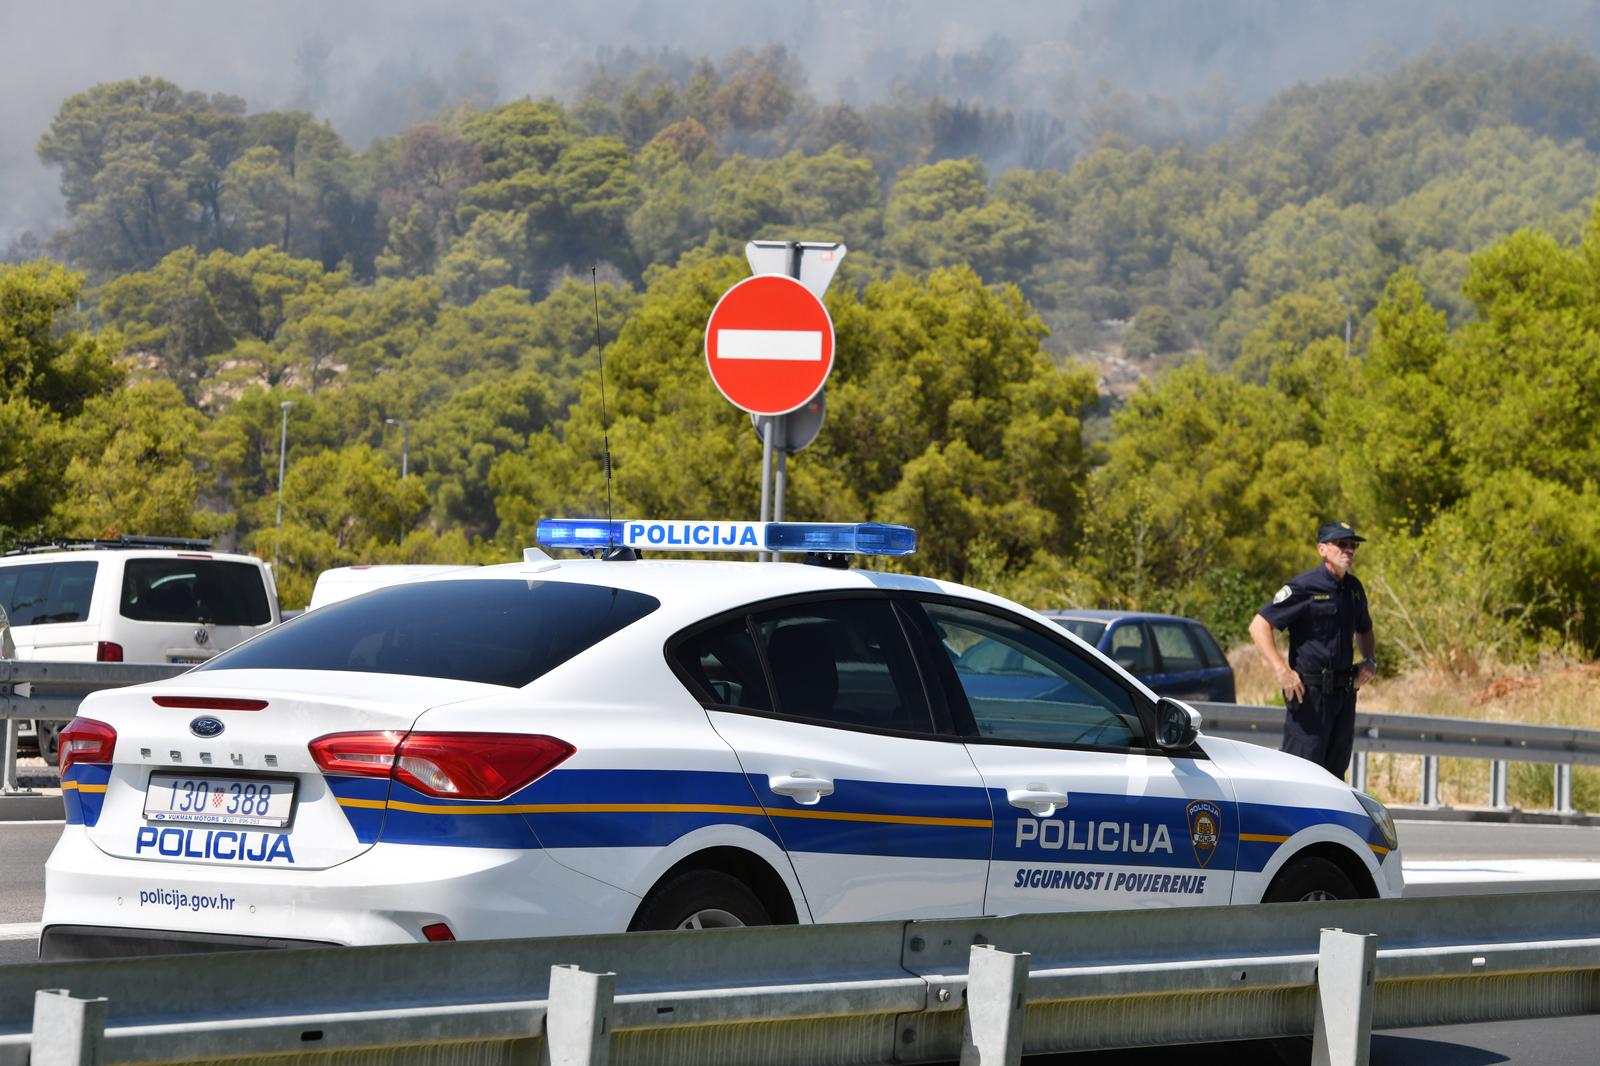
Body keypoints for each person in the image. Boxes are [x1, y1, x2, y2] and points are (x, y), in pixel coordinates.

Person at [1248, 522, 1377, 778]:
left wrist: (1370, 660)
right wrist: (1281, 670)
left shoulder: (1353, 589)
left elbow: (1364, 629)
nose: (1349, 550)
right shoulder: (1304, 587)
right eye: (1342, 544)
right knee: (1301, 772)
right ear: (1322, 549)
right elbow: (1259, 625)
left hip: (1343, 694)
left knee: (1334, 773)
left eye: (1353, 545)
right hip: (1310, 695)